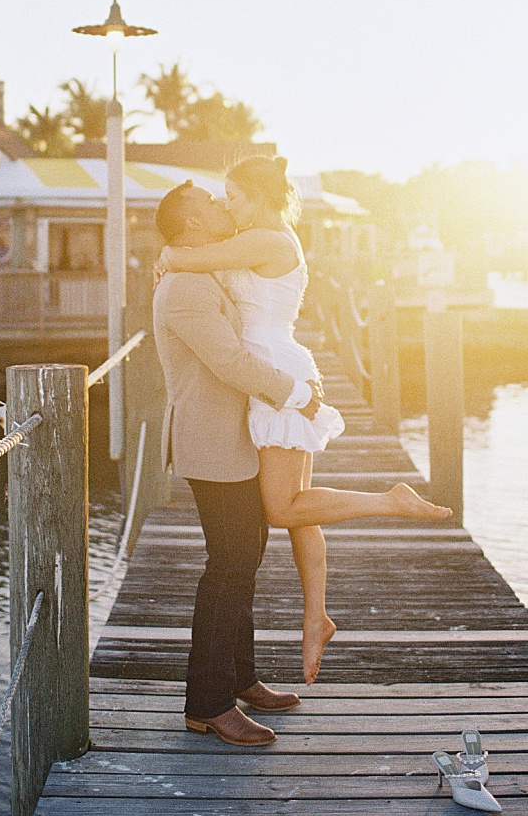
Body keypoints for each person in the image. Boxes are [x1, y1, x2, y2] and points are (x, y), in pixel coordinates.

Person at [156, 158, 450, 685]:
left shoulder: (268, 238)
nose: (227, 205)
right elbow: (199, 259)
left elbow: (193, 255)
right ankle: (316, 617)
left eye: (234, 196)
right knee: (299, 506)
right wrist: (176, 256)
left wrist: (170, 254)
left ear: (260, 197)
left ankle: (390, 501)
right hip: (270, 372)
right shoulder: (260, 237)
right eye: (220, 199)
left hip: (274, 375)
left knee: (283, 507)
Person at [150, 178, 316, 747]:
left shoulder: (199, 270)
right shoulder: (187, 286)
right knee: (228, 568)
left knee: (245, 555)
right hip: (212, 443)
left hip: (232, 438)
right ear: (193, 223)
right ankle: (207, 704)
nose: (224, 205)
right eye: (211, 204)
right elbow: (227, 361)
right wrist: (297, 393)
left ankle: (240, 678)